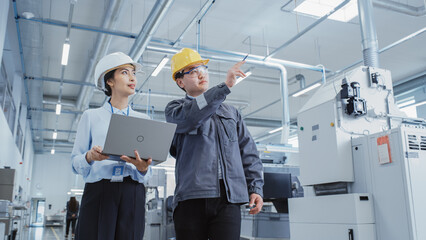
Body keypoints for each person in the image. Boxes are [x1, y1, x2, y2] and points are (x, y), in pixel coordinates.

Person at [165, 48, 264, 240]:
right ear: (180, 81)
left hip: (228, 200)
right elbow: (193, 114)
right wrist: (224, 87)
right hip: (191, 198)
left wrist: (255, 189)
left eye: (203, 68)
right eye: (192, 71)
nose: (201, 73)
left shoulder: (232, 113)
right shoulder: (175, 110)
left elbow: (248, 152)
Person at [71, 52, 152, 240]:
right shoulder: (91, 116)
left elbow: (149, 168)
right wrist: (89, 157)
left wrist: (143, 169)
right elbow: (74, 162)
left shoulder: (144, 120)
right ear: (110, 81)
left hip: (133, 192)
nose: (132, 78)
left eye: (133, 73)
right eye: (125, 72)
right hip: (99, 192)